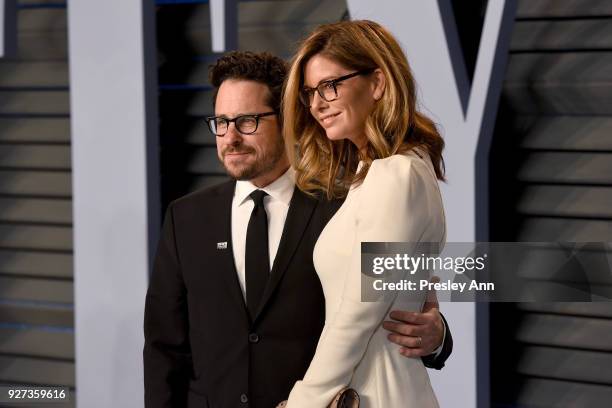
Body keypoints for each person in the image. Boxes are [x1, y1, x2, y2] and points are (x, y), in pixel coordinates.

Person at [143, 51, 451, 408]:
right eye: (221, 122)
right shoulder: (186, 218)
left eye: (247, 121)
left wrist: (438, 335)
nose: (230, 138)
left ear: (288, 119)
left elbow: (386, 303)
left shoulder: (344, 205)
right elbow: (165, 347)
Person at [281, 20, 447, 407]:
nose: (317, 104)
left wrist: (305, 400)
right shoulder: (374, 174)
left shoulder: (398, 174)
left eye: (330, 85)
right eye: (310, 92)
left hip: (379, 394)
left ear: (377, 83)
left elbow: (357, 312)